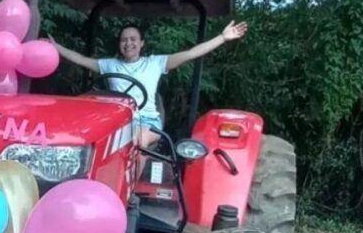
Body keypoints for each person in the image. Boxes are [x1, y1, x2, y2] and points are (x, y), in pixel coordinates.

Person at [51, 21, 248, 146]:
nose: (128, 43)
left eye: (133, 39)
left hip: (146, 120)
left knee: (136, 139)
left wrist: (222, 38)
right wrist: (56, 47)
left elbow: (191, 53)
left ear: (142, 43)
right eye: (124, 40)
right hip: (115, 119)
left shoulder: (155, 63)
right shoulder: (109, 64)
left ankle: (128, 189)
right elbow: (80, 59)